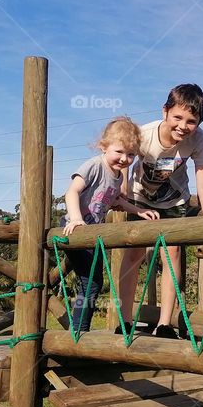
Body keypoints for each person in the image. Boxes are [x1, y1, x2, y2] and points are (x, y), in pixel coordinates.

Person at [118, 84, 203, 338]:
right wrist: (123, 196)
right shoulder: (144, 134)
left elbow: (202, 178)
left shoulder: (198, 139)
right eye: (178, 117)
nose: (183, 126)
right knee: (133, 255)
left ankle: (164, 324)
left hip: (174, 201)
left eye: (191, 121)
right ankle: (125, 320)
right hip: (141, 199)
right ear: (165, 111)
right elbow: (123, 165)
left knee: (171, 255)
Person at [61, 117, 158, 333]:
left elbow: (115, 201)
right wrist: (76, 219)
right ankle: (78, 332)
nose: (125, 159)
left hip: (91, 234)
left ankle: (79, 331)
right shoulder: (95, 166)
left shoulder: (115, 176)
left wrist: (138, 210)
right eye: (119, 152)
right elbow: (72, 191)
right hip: (74, 230)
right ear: (103, 147)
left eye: (131, 154)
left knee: (92, 282)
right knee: (91, 282)